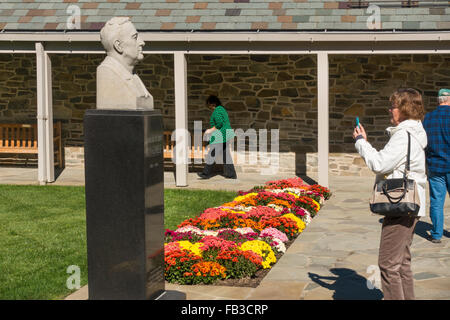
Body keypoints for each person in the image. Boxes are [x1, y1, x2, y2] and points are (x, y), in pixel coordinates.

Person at [352, 88, 427, 300]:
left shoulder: (403, 136)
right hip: (412, 202)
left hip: (399, 203)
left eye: (393, 106)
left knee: (387, 264)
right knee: (401, 262)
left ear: (403, 109)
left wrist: (361, 143)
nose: (389, 110)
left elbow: (379, 164)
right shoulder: (415, 132)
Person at [97, 17, 154, 110]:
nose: (142, 42)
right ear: (118, 46)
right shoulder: (107, 72)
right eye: (135, 37)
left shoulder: (132, 75)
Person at [422, 88, 450, 244]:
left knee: (436, 201)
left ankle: (437, 234)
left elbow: (424, 143)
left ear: (439, 100)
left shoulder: (428, 118)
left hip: (435, 165)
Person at [197, 95, 237, 179]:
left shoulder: (217, 111)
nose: (208, 106)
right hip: (225, 134)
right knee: (226, 155)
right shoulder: (222, 109)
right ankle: (231, 174)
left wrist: (210, 130)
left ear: (213, 103)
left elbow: (219, 124)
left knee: (212, 154)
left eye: (209, 104)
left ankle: (206, 173)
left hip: (221, 135)